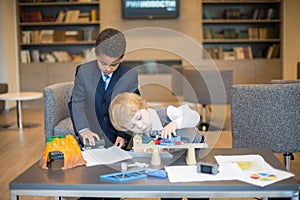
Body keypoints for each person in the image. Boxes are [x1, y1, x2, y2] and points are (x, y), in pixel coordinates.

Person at [109, 92, 208, 200]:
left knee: (197, 189)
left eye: (139, 118)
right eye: (132, 126)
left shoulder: (166, 113)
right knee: (169, 192)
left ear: (145, 107)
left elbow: (194, 116)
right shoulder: (141, 129)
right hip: (172, 156)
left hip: (194, 149)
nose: (140, 125)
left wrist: (174, 124)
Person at [68, 28, 139, 150]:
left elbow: (133, 108)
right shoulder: (83, 72)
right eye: (103, 63)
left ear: (121, 59)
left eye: (113, 65)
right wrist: (84, 130)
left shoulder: (130, 75)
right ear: (96, 54)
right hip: (90, 135)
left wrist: (123, 135)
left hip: (116, 137)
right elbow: (76, 102)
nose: (107, 69)